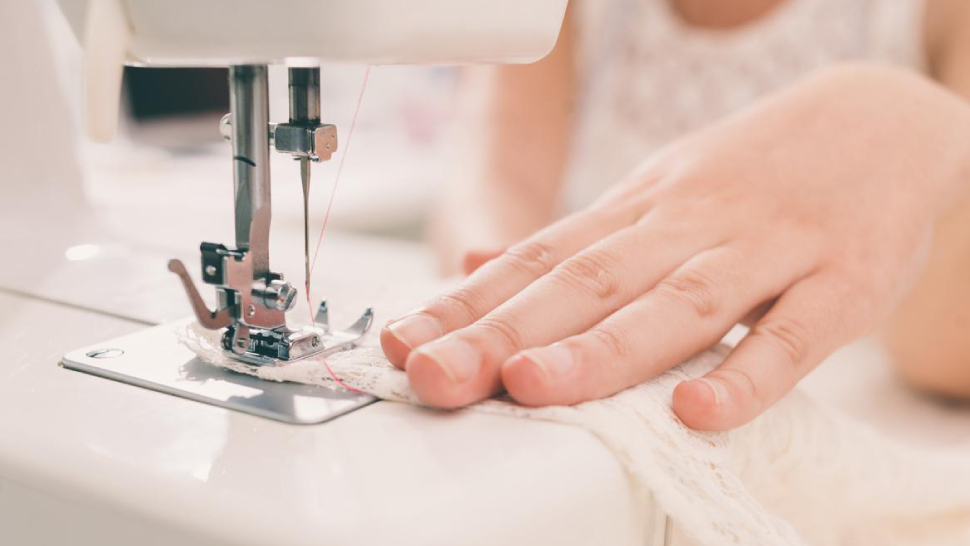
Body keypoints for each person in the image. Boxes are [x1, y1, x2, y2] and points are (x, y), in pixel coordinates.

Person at [380, 0, 970, 430]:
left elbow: (946, 360)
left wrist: (933, 139)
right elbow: (493, 181)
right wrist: (517, 310)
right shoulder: (564, 15)